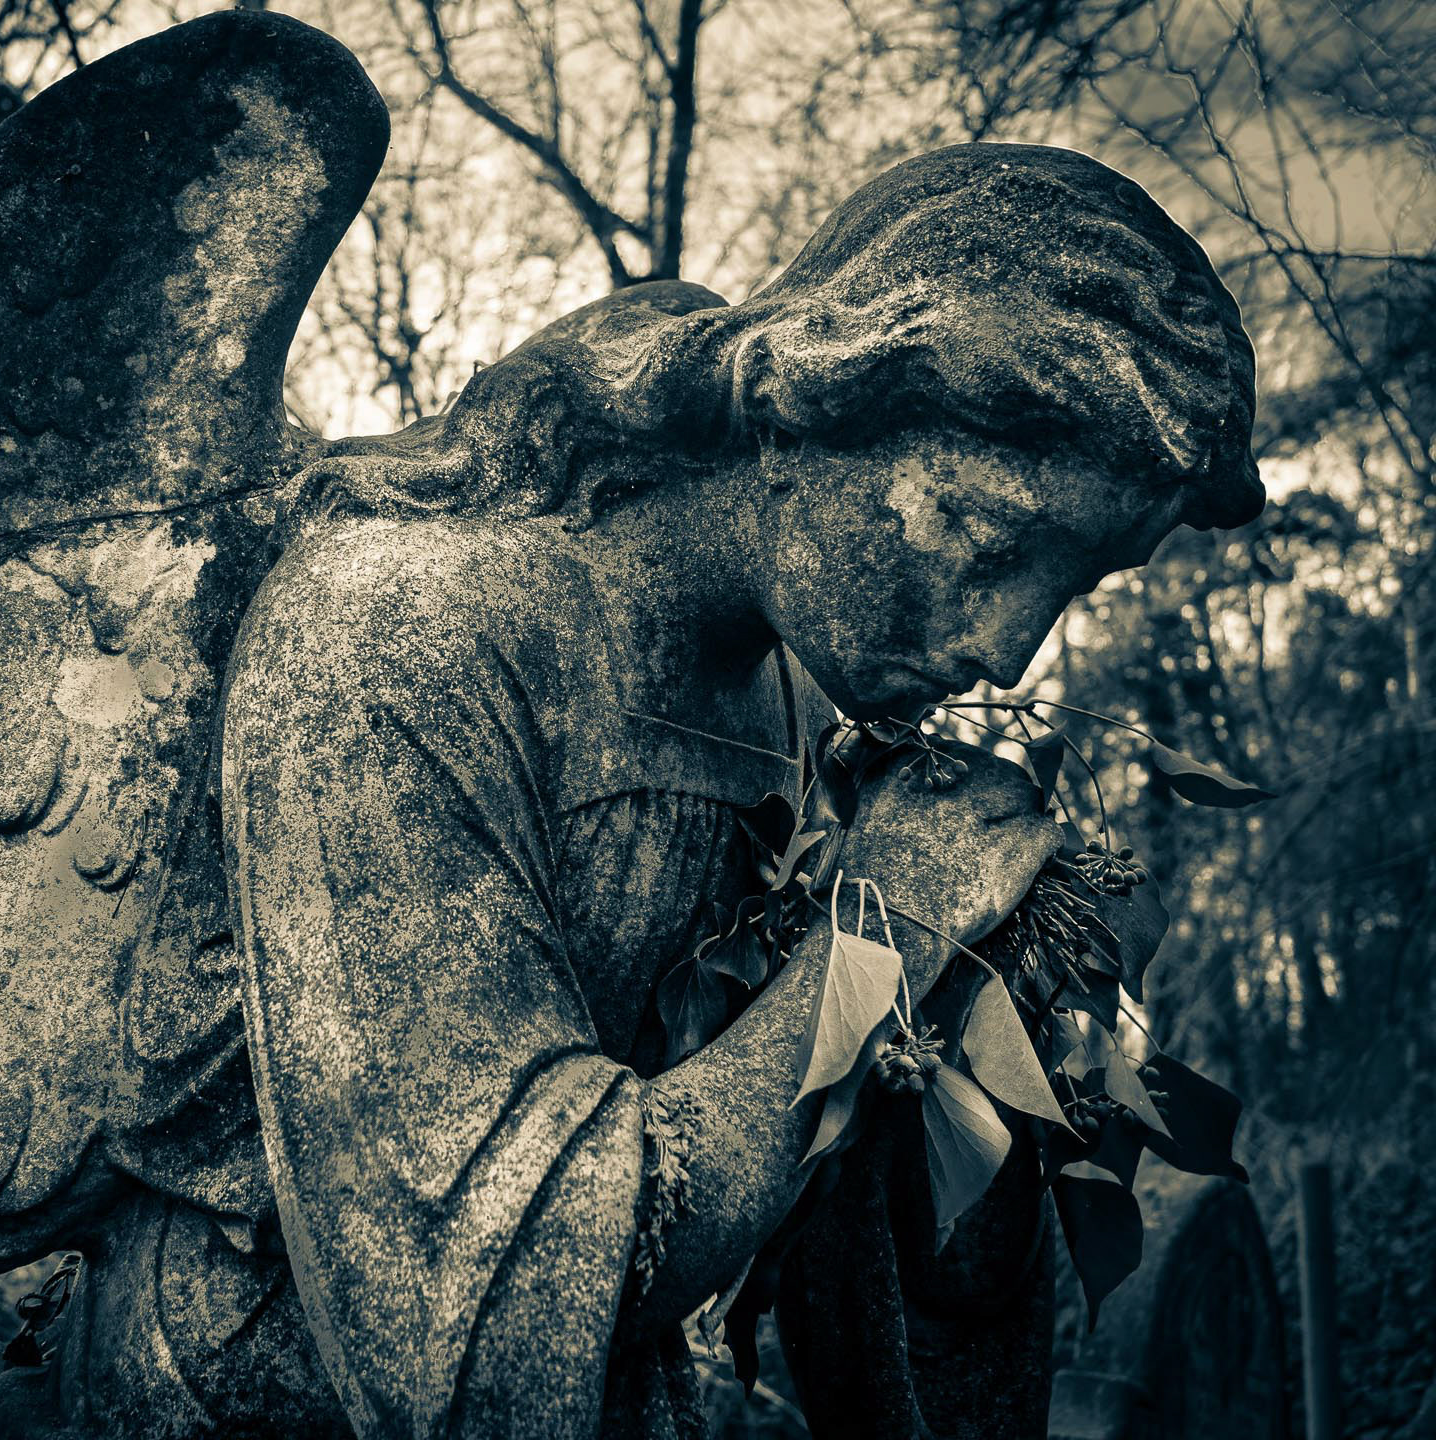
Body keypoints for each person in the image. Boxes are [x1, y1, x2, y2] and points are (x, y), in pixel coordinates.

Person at [208, 143, 1262, 1438]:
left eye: (1072, 586)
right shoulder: (391, 635)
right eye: (989, 538)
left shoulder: (798, 703)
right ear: (816, 402)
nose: (1008, 650)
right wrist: (886, 932)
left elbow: (846, 1278)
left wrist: (995, 1041)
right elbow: (474, 1336)